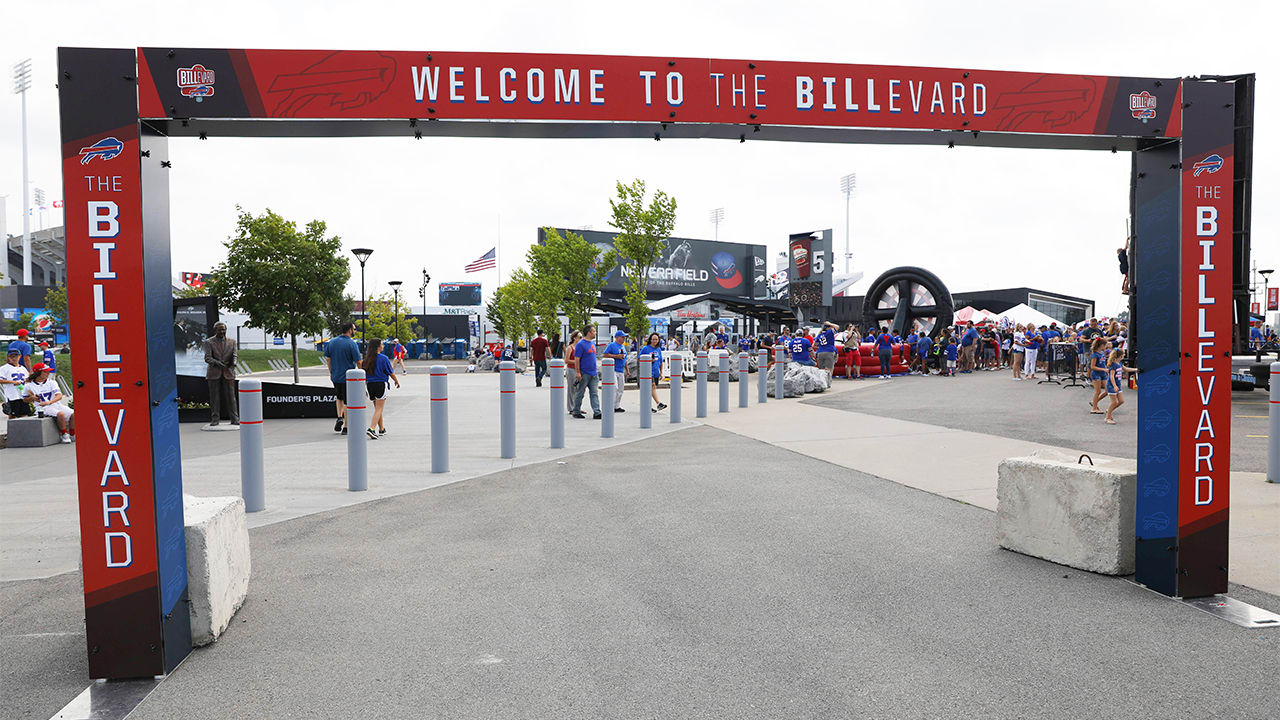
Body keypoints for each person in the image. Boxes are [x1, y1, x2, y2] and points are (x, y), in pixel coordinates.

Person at [323, 322, 362, 435]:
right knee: (347, 401)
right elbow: (358, 361)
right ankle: (346, 426)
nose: (355, 331)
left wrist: (331, 372)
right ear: (350, 330)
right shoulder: (351, 344)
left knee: (339, 397)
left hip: (336, 376)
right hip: (348, 377)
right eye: (354, 329)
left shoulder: (332, 342)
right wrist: (362, 374)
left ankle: (339, 416)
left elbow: (328, 359)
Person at [24, 363, 74, 443]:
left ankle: (72, 434)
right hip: (42, 408)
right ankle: (64, 434)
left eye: (48, 372)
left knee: (73, 413)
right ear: (38, 373)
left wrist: (49, 402)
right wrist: (32, 398)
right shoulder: (29, 386)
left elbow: (59, 396)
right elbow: (25, 399)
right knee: (60, 414)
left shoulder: (52, 382)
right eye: (45, 372)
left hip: (55, 404)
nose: (48, 373)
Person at [202, 321, 239, 426]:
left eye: (224, 329)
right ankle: (215, 419)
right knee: (214, 398)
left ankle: (235, 419)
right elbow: (207, 358)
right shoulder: (208, 342)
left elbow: (235, 355)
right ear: (215, 330)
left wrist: (233, 364)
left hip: (228, 372)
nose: (222, 331)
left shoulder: (232, 342)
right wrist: (218, 363)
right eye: (220, 330)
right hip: (214, 373)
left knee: (231, 397)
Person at [362, 338, 400, 439]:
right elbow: (390, 371)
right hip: (380, 384)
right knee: (379, 408)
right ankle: (371, 428)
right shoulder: (383, 358)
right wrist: (396, 381)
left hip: (370, 385)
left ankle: (381, 428)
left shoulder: (366, 360)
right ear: (378, 346)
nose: (383, 346)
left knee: (377, 408)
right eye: (382, 344)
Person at [570, 325, 601, 419]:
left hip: (593, 373)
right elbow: (577, 359)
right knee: (580, 393)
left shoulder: (592, 343)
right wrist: (578, 372)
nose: (595, 333)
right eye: (594, 331)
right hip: (584, 373)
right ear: (589, 333)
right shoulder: (580, 344)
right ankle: (576, 411)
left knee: (594, 393)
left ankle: (597, 412)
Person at [1102, 347, 1137, 424]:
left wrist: (1135, 369)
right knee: (1114, 402)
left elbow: (1126, 369)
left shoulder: (1120, 364)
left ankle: (1109, 411)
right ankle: (1108, 417)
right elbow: (1111, 376)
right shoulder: (1113, 365)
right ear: (1120, 356)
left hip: (1118, 385)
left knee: (1121, 401)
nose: (1124, 355)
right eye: (1124, 354)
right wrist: (1114, 386)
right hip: (1112, 385)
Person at [638, 332, 668, 412]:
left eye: (656, 339)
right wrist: (648, 361)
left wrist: (661, 372)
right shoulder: (646, 348)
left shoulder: (658, 349)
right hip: (648, 372)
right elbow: (639, 358)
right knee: (652, 386)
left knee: (650, 390)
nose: (655, 341)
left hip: (655, 372)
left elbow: (660, 362)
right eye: (653, 339)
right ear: (650, 340)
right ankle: (658, 403)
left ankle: (647, 406)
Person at [602, 330, 628, 413]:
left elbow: (625, 358)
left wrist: (627, 370)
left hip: (621, 370)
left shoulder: (623, 347)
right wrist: (616, 356)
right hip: (613, 369)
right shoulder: (612, 345)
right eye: (622, 337)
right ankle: (611, 405)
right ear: (617, 337)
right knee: (615, 387)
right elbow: (605, 354)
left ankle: (617, 406)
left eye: (624, 337)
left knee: (621, 388)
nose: (624, 339)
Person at [2, 348, 32, 418]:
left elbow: (27, 380)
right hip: (12, 395)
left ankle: (23, 428)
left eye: (16, 356)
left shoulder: (23, 368)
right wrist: (12, 382)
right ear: (8, 357)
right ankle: (12, 428)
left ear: (20, 356)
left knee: (25, 414)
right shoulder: (4, 368)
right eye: (12, 356)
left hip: (23, 394)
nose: (14, 358)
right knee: (13, 415)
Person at [1088, 337, 1109, 415]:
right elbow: (1092, 366)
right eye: (1105, 345)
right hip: (1096, 374)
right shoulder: (1095, 354)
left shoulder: (1102, 353)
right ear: (1102, 345)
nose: (1106, 346)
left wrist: (1106, 369)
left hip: (1103, 373)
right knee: (1098, 391)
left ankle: (1094, 402)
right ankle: (1094, 408)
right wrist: (1103, 369)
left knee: (1107, 391)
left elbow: (1103, 363)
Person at [565, 330, 581, 413]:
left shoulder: (580, 347)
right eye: (580, 337)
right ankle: (570, 408)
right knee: (571, 389)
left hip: (579, 369)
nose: (581, 339)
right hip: (571, 370)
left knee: (578, 389)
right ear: (575, 338)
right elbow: (566, 360)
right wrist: (577, 361)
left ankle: (577, 407)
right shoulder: (570, 348)